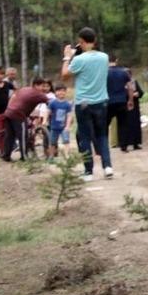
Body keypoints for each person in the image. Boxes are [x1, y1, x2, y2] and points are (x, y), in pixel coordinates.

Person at [61, 27, 112, 182]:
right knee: (102, 135)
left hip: (83, 102)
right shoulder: (104, 57)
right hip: (101, 101)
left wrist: (67, 57)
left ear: (81, 42)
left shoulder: (78, 60)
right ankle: (107, 166)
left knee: (84, 136)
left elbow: (65, 76)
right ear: (94, 40)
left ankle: (88, 171)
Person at [1, 78, 50, 162]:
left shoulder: (24, 89)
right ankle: (24, 157)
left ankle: (6, 156)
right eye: (42, 86)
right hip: (18, 114)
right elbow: (51, 102)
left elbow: (14, 97)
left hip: (8, 112)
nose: (44, 88)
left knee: (10, 135)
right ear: (36, 85)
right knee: (23, 136)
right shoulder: (38, 94)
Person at [106, 56, 134, 152]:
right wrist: (130, 100)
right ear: (116, 61)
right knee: (123, 124)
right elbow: (130, 87)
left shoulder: (104, 72)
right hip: (121, 101)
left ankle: (103, 145)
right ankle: (124, 146)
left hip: (108, 102)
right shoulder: (123, 72)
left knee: (105, 124)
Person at [46, 85, 73, 160]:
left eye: (63, 91)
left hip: (64, 127)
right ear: (55, 92)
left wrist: (67, 126)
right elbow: (48, 112)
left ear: (65, 92)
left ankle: (67, 156)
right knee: (52, 142)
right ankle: (51, 156)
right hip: (54, 126)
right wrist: (45, 120)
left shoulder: (67, 104)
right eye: (59, 91)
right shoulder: (52, 103)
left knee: (66, 141)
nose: (61, 93)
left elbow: (69, 115)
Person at [123, 70, 144, 150]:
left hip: (135, 106)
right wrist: (129, 95)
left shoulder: (134, 82)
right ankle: (125, 143)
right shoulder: (122, 83)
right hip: (126, 105)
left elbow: (141, 92)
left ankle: (136, 143)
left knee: (136, 124)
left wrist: (137, 94)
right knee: (126, 125)